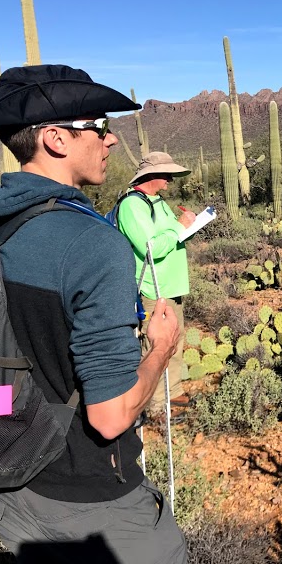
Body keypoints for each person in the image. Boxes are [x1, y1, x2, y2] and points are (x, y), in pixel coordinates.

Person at [0, 64, 192, 564]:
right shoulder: (92, 244)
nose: (111, 139)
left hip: (14, 485)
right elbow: (109, 418)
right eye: (99, 125)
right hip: (96, 503)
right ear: (55, 138)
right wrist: (159, 350)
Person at [117, 152, 195, 413]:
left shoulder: (158, 202)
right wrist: (179, 227)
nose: (171, 179)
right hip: (153, 288)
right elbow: (151, 247)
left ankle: (172, 392)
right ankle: (155, 404)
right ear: (151, 175)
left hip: (172, 286)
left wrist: (187, 226)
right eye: (167, 173)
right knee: (154, 346)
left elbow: (171, 237)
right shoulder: (132, 205)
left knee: (174, 339)